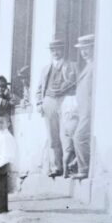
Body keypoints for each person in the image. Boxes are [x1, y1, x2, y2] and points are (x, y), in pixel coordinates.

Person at [36, 39, 77, 178]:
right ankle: (56, 167)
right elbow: (39, 88)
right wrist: (38, 103)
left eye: (58, 49)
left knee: (66, 134)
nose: (56, 52)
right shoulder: (45, 69)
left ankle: (69, 165)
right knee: (52, 135)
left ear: (63, 50)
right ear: (50, 52)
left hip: (65, 100)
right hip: (49, 101)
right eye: (53, 50)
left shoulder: (71, 66)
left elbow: (75, 83)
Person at [71, 34, 94, 179]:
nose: (84, 52)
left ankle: (84, 169)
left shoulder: (96, 65)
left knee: (79, 137)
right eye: (82, 49)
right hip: (82, 109)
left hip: (90, 110)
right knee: (75, 135)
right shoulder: (89, 64)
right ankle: (79, 165)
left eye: (87, 48)